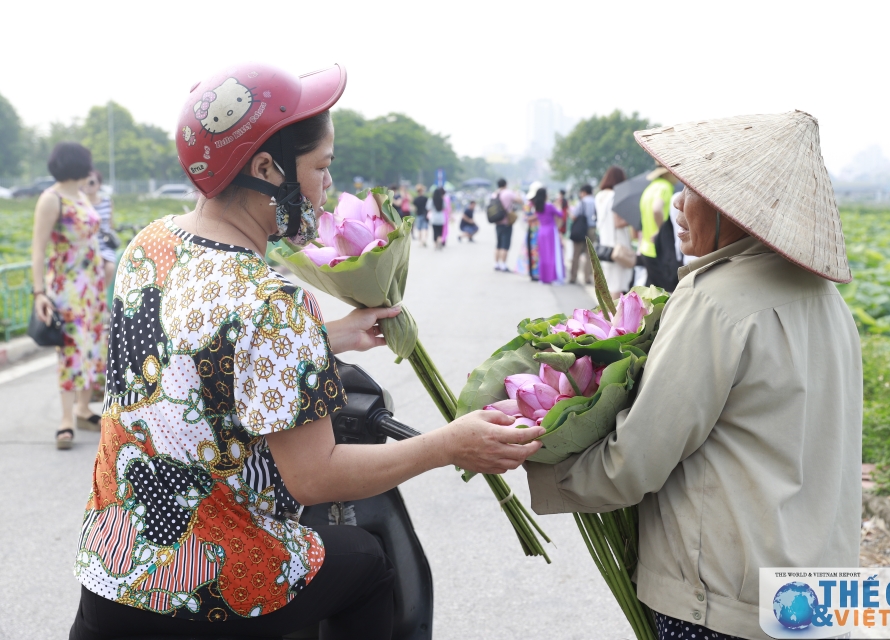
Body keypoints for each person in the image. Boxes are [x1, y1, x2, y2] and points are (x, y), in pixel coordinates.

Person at [69, 63, 545, 640]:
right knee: (369, 563)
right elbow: (314, 478)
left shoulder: (152, 245)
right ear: (268, 169)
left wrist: (334, 334)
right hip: (207, 588)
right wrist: (447, 446)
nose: (326, 187)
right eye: (322, 167)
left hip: (111, 572)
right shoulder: (273, 300)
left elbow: (193, 356)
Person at [525, 111, 861, 640]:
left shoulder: (714, 300)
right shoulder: (827, 298)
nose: (677, 204)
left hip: (725, 602)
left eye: (693, 189)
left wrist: (541, 465)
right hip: (819, 600)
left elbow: (638, 459)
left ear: (742, 208)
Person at [30, 142, 108, 450]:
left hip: (92, 285)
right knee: (70, 349)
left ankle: (83, 409)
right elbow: (38, 249)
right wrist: (40, 292)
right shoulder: (51, 199)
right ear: (80, 165)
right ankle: (66, 419)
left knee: (91, 346)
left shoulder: (81, 195)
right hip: (68, 287)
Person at [594, 166, 633, 297]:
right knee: (618, 284)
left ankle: (607, 314)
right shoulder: (615, 195)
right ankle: (614, 315)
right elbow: (618, 222)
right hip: (618, 245)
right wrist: (632, 220)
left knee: (609, 283)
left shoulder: (599, 196)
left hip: (605, 246)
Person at [637, 165, 677, 285]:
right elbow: (656, 209)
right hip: (658, 248)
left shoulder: (649, 188)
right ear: (667, 173)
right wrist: (661, 233)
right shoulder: (665, 187)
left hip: (646, 247)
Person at [81, 170, 118, 293]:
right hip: (87, 245)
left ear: (99, 185)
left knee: (110, 267)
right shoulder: (80, 203)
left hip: (104, 245)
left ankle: (101, 294)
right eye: (85, 182)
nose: (88, 185)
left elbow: (110, 224)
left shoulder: (107, 202)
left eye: (91, 182)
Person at [529, 187, 565, 285]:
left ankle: (543, 278)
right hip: (550, 232)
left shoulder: (537, 206)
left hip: (542, 232)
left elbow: (535, 217)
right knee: (553, 255)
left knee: (543, 255)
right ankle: (553, 277)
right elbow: (561, 214)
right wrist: (559, 206)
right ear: (545, 195)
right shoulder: (549, 206)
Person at [567, 184, 595, 284]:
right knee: (589, 255)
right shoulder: (595, 201)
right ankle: (587, 278)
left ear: (584, 192)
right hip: (592, 229)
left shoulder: (582, 202)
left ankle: (573, 277)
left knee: (576, 254)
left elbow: (574, 216)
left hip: (580, 229)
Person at [492, 178, 520, 272]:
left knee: (498, 244)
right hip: (506, 222)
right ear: (506, 184)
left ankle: (496, 264)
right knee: (505, 245)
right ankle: (503, 265)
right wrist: (516, 192)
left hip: (497, 221)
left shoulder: (494, 194)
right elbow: (520, 200)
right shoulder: (508, 193)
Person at [523, 181, 543, 281]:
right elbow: (525, 218)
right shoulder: (529, 205)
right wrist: (536, 216)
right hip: (532, 232)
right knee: (533, 253)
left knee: (538, 253)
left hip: (540, 231)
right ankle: (533, 273)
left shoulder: (542, 205)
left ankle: (539, 273)